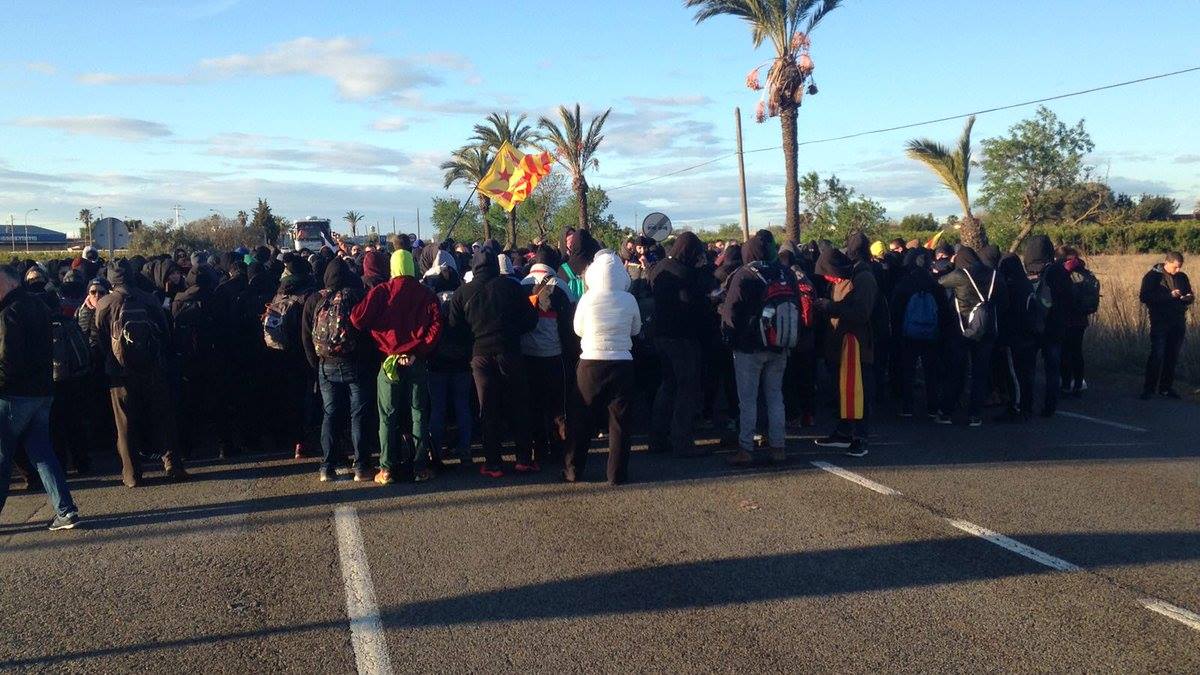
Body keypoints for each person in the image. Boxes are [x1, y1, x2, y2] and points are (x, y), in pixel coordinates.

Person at [95, 260, 190, 487]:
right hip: (152, 368)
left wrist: (111, 360)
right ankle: (173, 464)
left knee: (125, 423)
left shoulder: (105, 303)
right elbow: (165, 332)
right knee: (163, 417)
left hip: (120, 373)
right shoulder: (148, 299)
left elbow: (98, 337)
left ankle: (132, 474)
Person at [0, 264, 80, 530]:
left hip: (14, 395)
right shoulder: (40, 307)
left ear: (8, 283)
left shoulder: (8, 313)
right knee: (42, 453)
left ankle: (65, 511)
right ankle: (65, 510)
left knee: (3, 456)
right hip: (43, 391)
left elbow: (7, 360)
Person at [351, 249, 442, 483]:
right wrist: (417, 350)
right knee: (418, 414)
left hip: (389, 361)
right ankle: (420, 467)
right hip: (416, 361)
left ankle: (387, 468)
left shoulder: (382, 291)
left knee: (387, 417)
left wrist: (382, 336)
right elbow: (435, 327)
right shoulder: (426, 294)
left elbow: (357, 319)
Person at [447, 243, 538, 478]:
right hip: (510, 352)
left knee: (488, 407)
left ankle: (493, 463)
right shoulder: (512, 287)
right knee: (519, 405)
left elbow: (454, 329)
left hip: (480, 356)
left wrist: (472, 342)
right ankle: (524, 459)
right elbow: (531, 319)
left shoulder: (463, 292)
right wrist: (511, 332)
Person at [720, 232, 792, 465]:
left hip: (748, 347)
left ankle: (746, 449)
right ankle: (778, 447)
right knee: (775, 396)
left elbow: (731, 313)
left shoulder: (744, 274)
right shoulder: (785, 273)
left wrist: (729, 337)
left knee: (747, 400)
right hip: (780, 343)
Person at [570, 250, 641, 484]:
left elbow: (577, 330)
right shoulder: (629, 299)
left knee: (582, 418)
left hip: (591, 361)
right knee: (619, 422)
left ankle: (573, 470)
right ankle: (617, 474)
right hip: (622, 361)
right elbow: (636, 330)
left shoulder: (587, 299)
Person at [301, 257, 373, 483]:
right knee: (358, 415)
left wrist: (316, 364)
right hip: (355, 363)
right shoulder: (357, 297)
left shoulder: (314, 299)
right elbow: (368, 333)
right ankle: (361, 466)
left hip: (325, 365)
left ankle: (327, 466)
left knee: (330, 414)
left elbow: (305, 337)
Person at [648, 232, 711, 457]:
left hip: (661, 334)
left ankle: (657, 437)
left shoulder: (660, 268)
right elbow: (690, 304)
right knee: (687, 388)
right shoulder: (684, 273)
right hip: (681, 337)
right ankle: (681, 440)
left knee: (667, 386)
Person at [813, 246, 877, 455]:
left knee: (859, 391)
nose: (829, 280)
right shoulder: (844, 279)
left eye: (829, 275)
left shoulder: (863, 279)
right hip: (838, 344)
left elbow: (861, 313)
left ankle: (860, 437)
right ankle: (844, 431)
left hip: (856, 346)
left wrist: (829, 306)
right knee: (841, 391)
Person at [937, 246, 1008, 426]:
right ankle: (975, 415)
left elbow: (939, 281)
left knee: (957, 371)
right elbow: (1003, 300)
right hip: (987, 329)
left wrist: (949, 266)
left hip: (963, 330)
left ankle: (946, 411)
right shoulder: (994, 275)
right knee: (980, 372)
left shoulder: (961, 275)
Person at [520, 256, 575, 466]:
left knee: (533, 404)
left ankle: (538, 448)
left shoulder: (522, 284)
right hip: (554, 354)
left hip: (528, 354)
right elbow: (570, 323)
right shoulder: (560, 285)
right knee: (558, 405)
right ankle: (561, 449)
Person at [890, 247, 947, 419]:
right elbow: (943, 309)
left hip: (908, 333)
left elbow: (896, 310)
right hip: (930, 333)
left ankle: (907, 407)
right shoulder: (934, 283)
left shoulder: (904, 282)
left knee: (908, 369)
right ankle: (932, 407)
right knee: (931, 370)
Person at [1020, 235, 1072, 417]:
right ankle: (1050, 406)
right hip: (1055, 327)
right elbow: (1069, 299)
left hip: (1032, 327)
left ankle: (1025, 406)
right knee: (1052, 368)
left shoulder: (1025, 272)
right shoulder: (1059, 272)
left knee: (1028, 369)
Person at [1140, 251, 1193, 399]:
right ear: (1167, 262)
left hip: (1178, 320)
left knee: (1172, 355)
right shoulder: (1152, 277)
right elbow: (1144, 296)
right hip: (1160, 321)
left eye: (1180, 267)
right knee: (1157, 354)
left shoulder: (1182, 277)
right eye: (1175, 267)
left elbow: (1189, 294)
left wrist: (1187, 297)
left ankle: (1166, 387)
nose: (1178, 270)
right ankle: (1149, 388)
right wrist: (1168, 295)